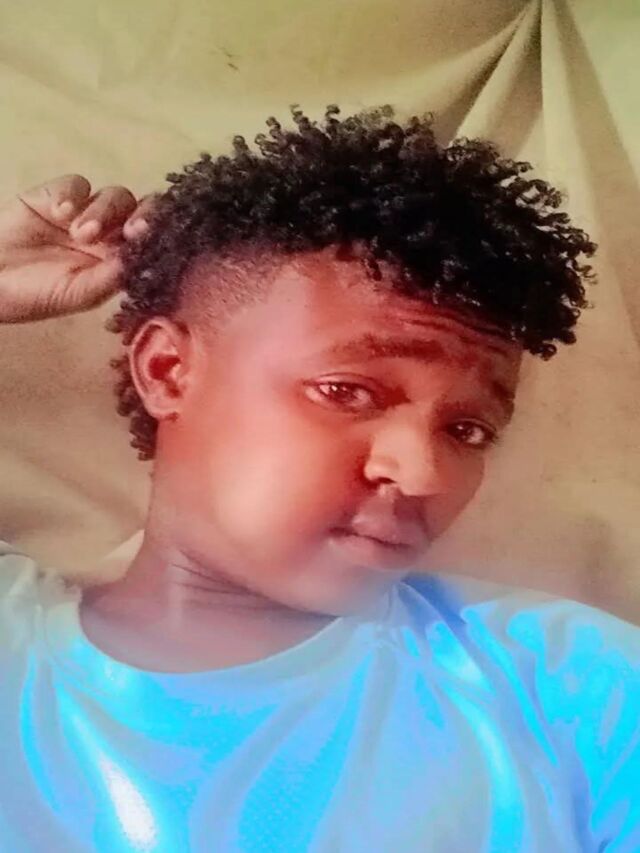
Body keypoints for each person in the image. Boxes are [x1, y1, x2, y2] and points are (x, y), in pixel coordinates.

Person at [0, 106, 638, 852]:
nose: (423, 473)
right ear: (169, 371)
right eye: (347, 391)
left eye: (467, 430)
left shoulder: (577, 687)